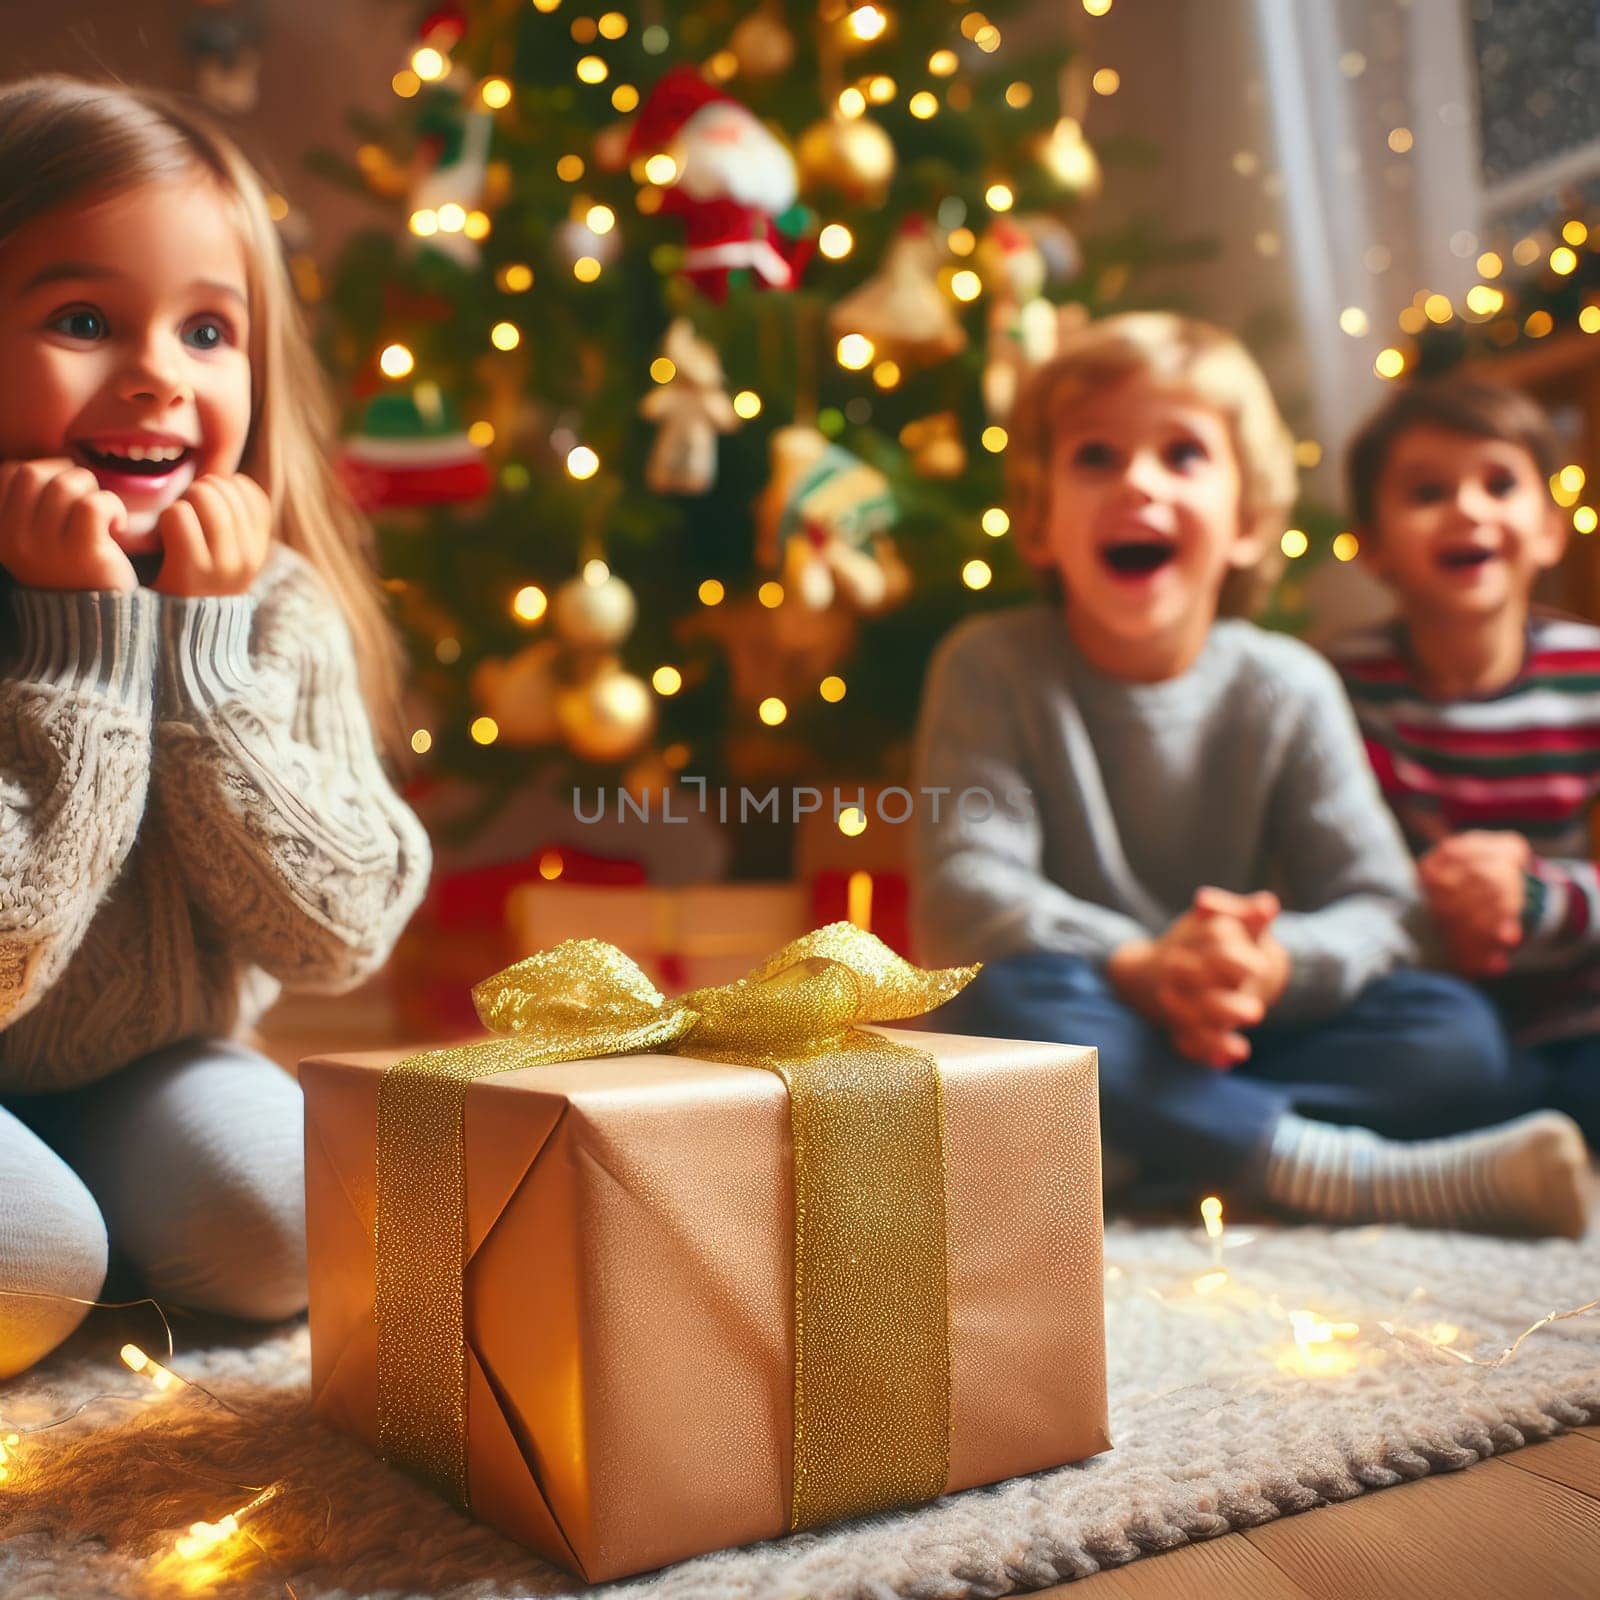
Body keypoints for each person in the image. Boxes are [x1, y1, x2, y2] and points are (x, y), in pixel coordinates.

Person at [911, 311, 1587, 1237]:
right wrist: (1138, 963)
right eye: (1096, 457)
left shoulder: (1287, 683)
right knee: (998, 996)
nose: (1138, 482)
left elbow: (1386, 909)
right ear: (1037, 521)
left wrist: (1272, 967)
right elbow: (964, 889)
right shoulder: (988, 665)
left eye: (1182, 454)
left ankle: (1147, 1140)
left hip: (1231, 1021)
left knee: (1455, 1032)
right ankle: (1326, 1169)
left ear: (1248, 524)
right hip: (1088, 995)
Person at [0, 77, 431, 1376]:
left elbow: (339, 935)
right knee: (37, 1264)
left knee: (302, 1229)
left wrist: (195, 654)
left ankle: (105, 1204)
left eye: (206, 332)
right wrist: (82, 657)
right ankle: (74, 1238)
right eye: (84, 320)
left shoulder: (269, 605)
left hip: (154, 1061)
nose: (155, 377)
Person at [1332, 377, 1600, 1150]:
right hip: (1425, 1009)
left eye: (1500, 483)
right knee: (1434, 1063)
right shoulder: (1336, 688)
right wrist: (1444, 908)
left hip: (1581, 1009)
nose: (1469, 509)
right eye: (1427, 491)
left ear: (1551, 529)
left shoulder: (1589, 676)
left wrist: (1536, 899)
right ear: (1370, 544)